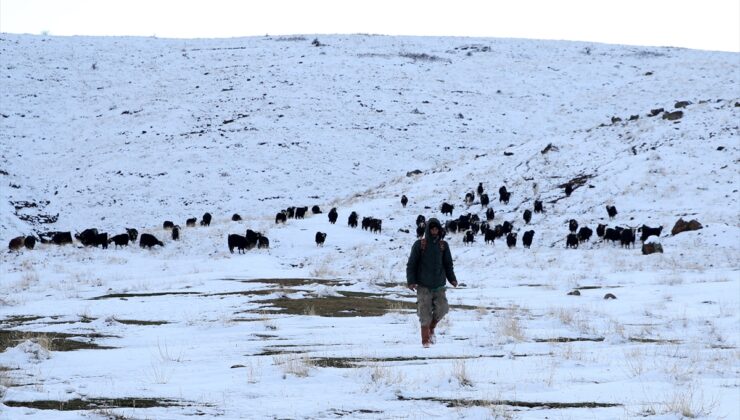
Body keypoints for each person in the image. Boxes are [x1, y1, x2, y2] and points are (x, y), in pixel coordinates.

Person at [406, 217, 458, 347]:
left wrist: (452, 278)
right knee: (424, 312)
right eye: (432, 229)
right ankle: (425, 341)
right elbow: (411, 264)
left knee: (443, 309)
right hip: (423, 285)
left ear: (439, 230)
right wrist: (411, 281)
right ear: (428, 230)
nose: (434, 231)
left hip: (439, 285)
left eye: (436, 229)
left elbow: (448, 264)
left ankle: (432, 327)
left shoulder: (443, 246)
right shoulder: (419, 245)